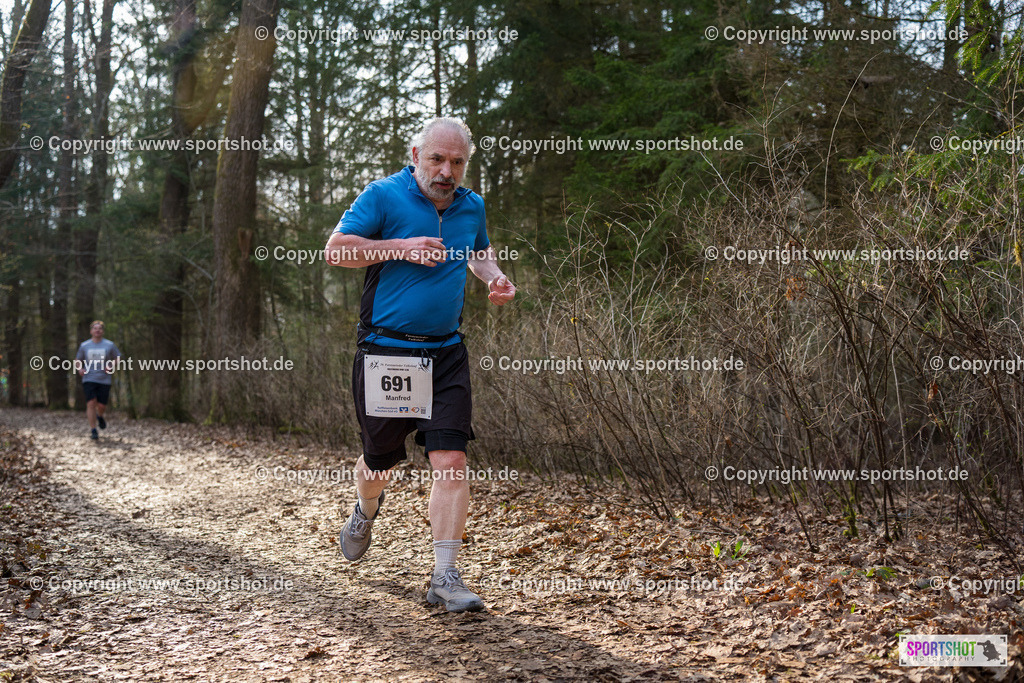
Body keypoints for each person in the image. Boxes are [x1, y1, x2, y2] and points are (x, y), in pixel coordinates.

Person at [325, 117, 515, 613]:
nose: (446, 171)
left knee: (450, 459)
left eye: (457, 162)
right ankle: (366, 510)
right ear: (416, 155)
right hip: (387, 351)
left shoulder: (471, 205)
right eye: (437, 159)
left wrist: (494, 277)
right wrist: (402, 248)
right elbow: (337, 250)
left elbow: (478, 252)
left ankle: (445, 577)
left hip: (446, 351)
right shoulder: (383, 196)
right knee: (380, 461)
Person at [75, 320, 122, 440]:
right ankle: (93, 429)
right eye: (95, 328)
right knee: (91, 403)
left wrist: (111, 365)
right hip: (89, 378)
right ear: (91, 331)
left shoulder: (109, 345)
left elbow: (118, 357)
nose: (97, 330)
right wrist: (80, 368)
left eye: (100, 328)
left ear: (102, 331)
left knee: (101, 405)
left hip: (104, 379)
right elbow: (78, 360)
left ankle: (100, 416)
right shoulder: (84, 345)